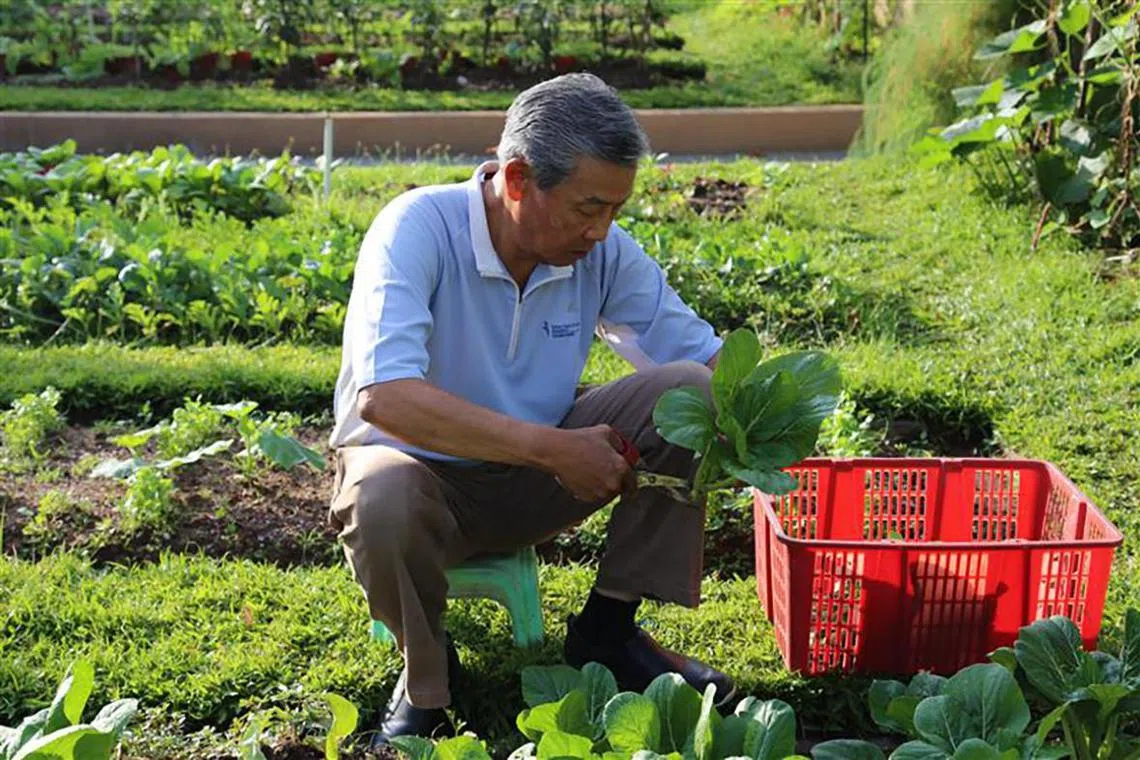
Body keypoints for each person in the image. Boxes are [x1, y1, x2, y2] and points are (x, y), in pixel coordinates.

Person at [327, 72, 734, 750]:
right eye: (587, 207)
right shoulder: (418, 229)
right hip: (424, 483)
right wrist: (550, 449)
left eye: (614, 210)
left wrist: (769, 437)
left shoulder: (598, 255)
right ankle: (425, 678)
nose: (600, 230)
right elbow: (384, 396)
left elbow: (707, 361)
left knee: (690, 393)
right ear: (517, 179)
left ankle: (607, 631)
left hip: (532, 479)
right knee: (382, 492)